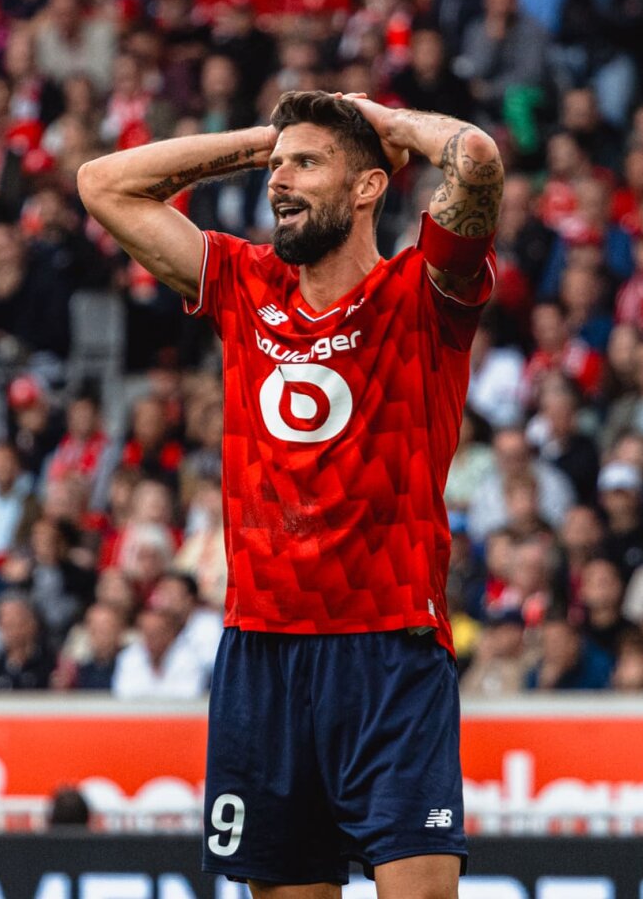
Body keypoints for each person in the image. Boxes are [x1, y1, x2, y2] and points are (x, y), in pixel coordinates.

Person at [79, 90, 504, 890]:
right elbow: (102, 183)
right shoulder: (246, 284)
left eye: (307, 164)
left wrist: (387, 124)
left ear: (368, 186)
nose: (280, 180)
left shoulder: (420, 295)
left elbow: (475, 159)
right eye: (277, 167)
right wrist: (264, 141)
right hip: (263, 649)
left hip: (389, 648)